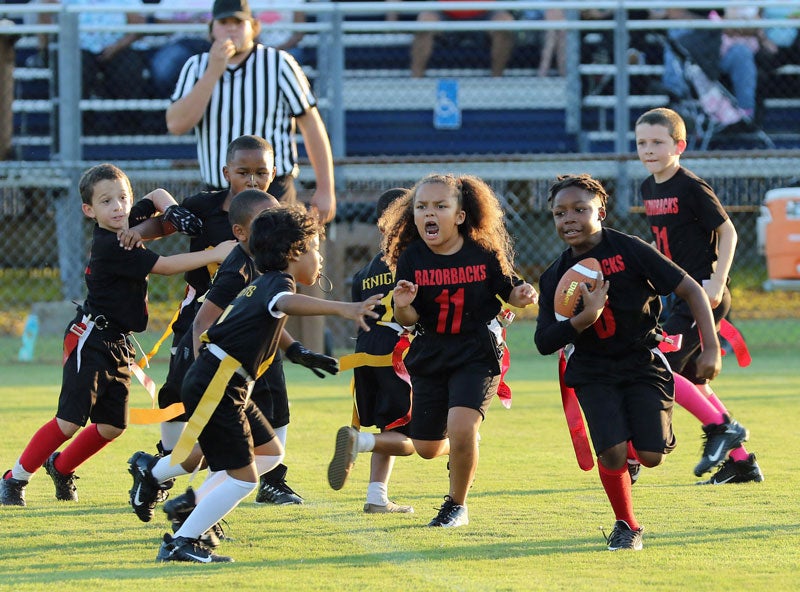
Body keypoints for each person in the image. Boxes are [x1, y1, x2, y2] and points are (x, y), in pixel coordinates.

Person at [155, 204, 382, 563]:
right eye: (315, 248)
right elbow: (285, 303)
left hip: (226, 382)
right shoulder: (278, 283)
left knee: (271, 453)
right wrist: (343, 308)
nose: (319, 257)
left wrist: (299, 353)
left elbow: (269, 319)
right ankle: (181, 540)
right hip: (220, 383)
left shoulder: (262, 281)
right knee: (244, 479)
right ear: (295, 251)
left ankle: (192, 505)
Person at [0, 163, 235, 507]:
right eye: (106, 201)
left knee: (112, 427)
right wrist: (215, 253)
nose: (117, 207)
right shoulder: (112, 244)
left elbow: (155, 196)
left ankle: (61, 467)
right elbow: (165, 267)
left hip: (118, 343)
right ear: (88, 210)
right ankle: (14, 478)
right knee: (69, 421)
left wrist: (171, 209)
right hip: (91, 337)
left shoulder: (127, 221)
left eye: (123, 198)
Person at [535, 173, 722, 550]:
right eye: (559, 213)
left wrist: (711, 346)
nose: (568, 219)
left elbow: (691, 290)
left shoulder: (630, 249)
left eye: (579, 209)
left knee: (651, 455)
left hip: (641, 361)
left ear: (600, 211)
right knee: (612, 450)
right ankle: (627, 525)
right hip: (591, 369)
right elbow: (542, 341)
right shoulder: (554, 276)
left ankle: (634, 453)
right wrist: (581, 321)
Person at [380, 173, 537, 527]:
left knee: (462, 427)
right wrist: (403, 304)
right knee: (426, 448)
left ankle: (456, 505)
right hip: (430, 352)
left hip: (476, 351)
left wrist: (523, 294)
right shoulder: (411, 258)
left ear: (461, 215)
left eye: (440, 206)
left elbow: (508, 289)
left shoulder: (482, 253)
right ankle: (465, 444)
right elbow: (408, 318)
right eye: (421, 207)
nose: (429, 214)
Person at [635, 107, 764, 485]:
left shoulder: (690, 186)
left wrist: (716, 281)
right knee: (695, 380)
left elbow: (728, 232)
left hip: (702, 295)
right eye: (642, 142)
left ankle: (724, 429)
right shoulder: (648, 187)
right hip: (678, 296)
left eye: (657, 142)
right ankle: (742, 463)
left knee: (661, 368)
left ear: (680, 146)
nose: (648, 149)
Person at [166, 0, 335, 225]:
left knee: (276, 258)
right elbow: (176, 125)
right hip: (218, 192)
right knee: (218, 259)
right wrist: (213, 71)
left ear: (254, 27)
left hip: (273, 191)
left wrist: (325, 188)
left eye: (238, 21)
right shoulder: (196, 66)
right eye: (224, 22)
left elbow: (312, 125)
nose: (231, 28)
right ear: (211, 29)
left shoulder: (279, 63)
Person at [326, 188, 416, 514]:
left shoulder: (365, 271)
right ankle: (359, 443)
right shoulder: (414, 261)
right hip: (397, 355)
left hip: (364, 354)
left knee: (387, 429)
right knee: (417, 438)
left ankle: (376, 496)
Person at [410, 0, 515, 78]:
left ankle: (497, 79)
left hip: (486, 10)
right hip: (444, 10)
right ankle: (416, 80)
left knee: (505, 23)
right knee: (424, 23)